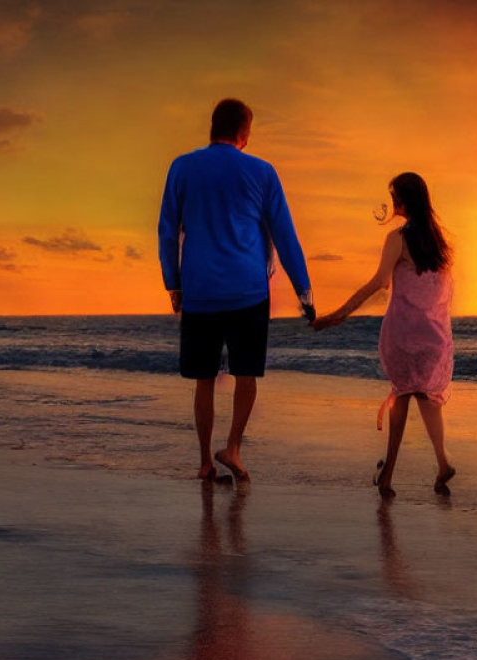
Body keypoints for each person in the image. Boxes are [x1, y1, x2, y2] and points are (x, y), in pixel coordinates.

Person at [158, 98, 315, 482]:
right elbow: (285, 234)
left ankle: (204, 462)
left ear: (212, 127)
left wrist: (172, 284)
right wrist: (304, 291)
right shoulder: (262, 172)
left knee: (204, 379)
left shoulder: (182, 167)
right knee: (246, 375)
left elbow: (167, 230)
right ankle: (233, 448)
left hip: (200, 290)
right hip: (248, 292)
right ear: (245, 133)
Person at [313, 172, 454, 498]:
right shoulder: (440, 245)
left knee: (402, 396)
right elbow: (443, 294)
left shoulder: (398, 238)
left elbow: (379, 283)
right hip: (435, 334)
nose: (393, 204)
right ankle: (442, 461)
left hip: (405, 333)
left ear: (403, 201)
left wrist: (338, 315)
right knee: (428, 400)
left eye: (395, 197)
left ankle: (388, 475)